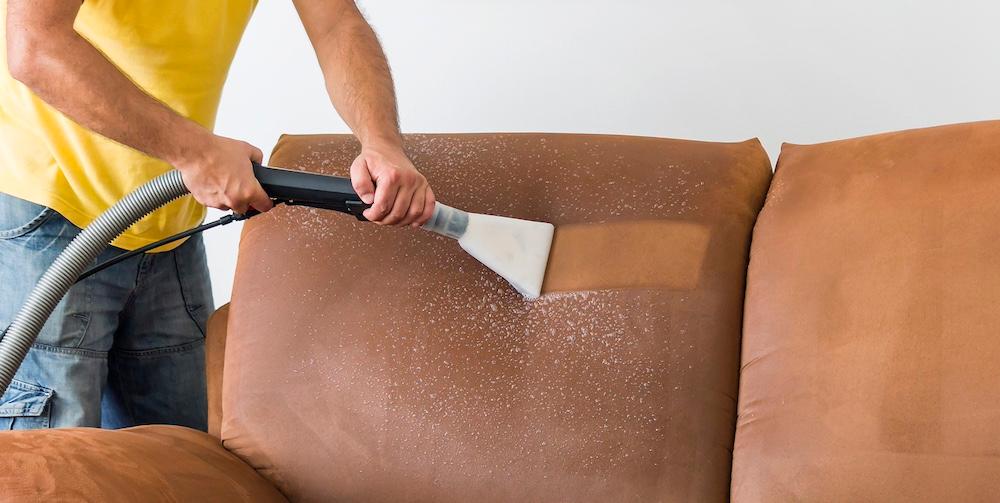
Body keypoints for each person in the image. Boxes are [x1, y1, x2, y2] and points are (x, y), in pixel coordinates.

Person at [0, 0, 433, 430]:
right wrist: (196, 152)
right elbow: (36, 45)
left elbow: (337, 23)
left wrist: (382, 142)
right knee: (54, 471)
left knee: (183, 464)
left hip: (168, 224)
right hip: (52, 211)